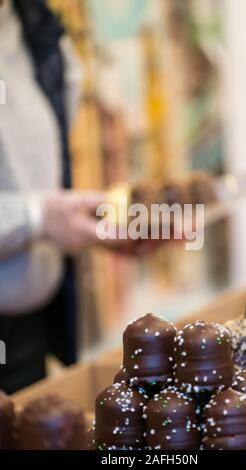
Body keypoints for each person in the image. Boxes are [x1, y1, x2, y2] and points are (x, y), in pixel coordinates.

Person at [0, 0, 157, 394]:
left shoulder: (37, 27)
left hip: (29, 330)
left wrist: (89, 221)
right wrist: (37, 218)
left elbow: (40, 173)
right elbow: (38, 210)